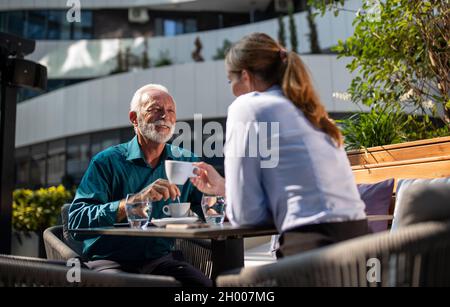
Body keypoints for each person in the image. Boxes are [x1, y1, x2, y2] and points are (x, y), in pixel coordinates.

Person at [190, 33, 368, 258]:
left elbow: (246, 215)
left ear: (245, 76)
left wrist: (233, 196)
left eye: (230, 80)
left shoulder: (249, 106)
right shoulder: (311, 113)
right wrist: (225, 187)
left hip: (314, 250)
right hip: (361, 246)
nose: (231, 90)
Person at [68, 84, 212, 286]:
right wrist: (132, 203)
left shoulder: (187, 162)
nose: (165, 116)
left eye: (170, 111)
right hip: (109, 262)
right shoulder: (106, 162)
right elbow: (75, 221)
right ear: (134, 118)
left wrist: (217, 193)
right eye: (156, 109)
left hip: (160, 261)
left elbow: (211, 209)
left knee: (203, 287)